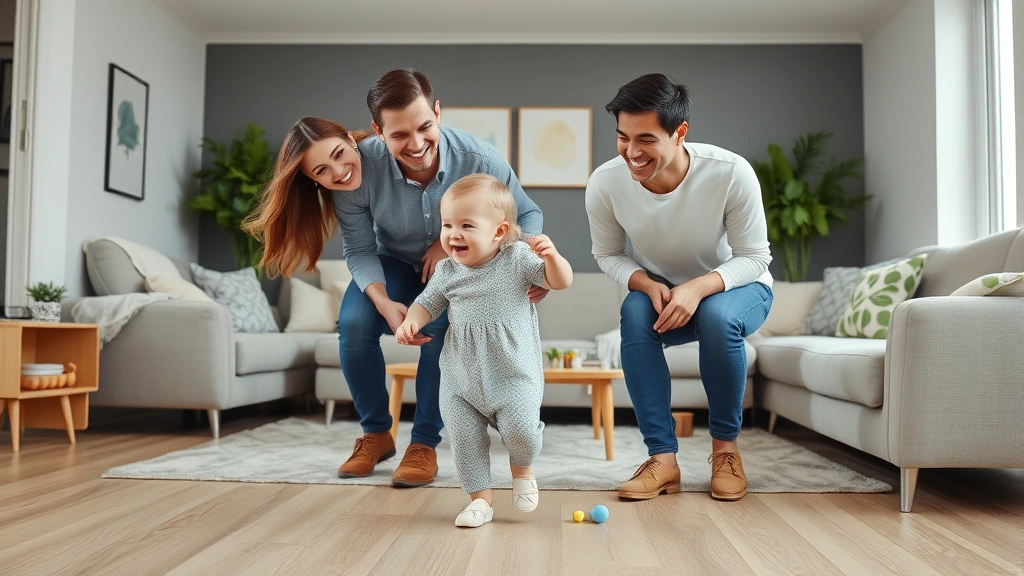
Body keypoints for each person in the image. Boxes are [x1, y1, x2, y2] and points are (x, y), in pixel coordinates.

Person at [248, 69, 545, 488]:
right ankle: (375, 434)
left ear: (438, 112)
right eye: (399, 135)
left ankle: (423, 443)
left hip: (456, 269)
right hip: (392, 265)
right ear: (376, 131)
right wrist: (385, 304)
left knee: (441, 327)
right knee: (352, 323)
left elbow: (527, 215)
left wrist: (502, 256)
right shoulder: (353, 172)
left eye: (425, 126)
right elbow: (360, 249)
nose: (417, 143)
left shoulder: (479, 159)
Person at [584, 73, 774, 502]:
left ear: (679, 132)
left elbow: (755, 257)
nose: (631, 152)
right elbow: (608, 254)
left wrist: (699, 288)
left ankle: (725, 451)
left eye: (646, 139)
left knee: (717, 314)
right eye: (622, 138)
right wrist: (644, 283)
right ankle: (663, 460)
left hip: (740, 288)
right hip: (664, 294)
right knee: (634, 312)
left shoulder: (729, 173)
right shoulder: (605, 183)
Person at [395, 174, 573, 527]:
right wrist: (410, 322)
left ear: (498, 232)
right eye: (447, 225)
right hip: (461, 377)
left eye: (466, 225)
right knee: (464, 440)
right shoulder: (447, 270)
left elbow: (559, 281)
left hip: (513, 373)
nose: (453, 234)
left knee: (522, 432)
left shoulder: (517, 258)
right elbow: (425, 303)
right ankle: (480, 500)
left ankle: (522, 467)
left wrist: (553, 259)